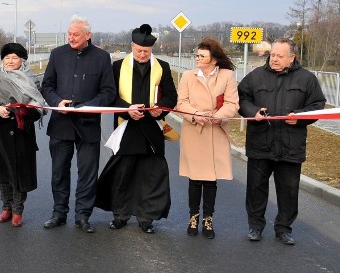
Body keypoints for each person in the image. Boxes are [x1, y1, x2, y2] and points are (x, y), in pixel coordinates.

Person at [238, 37, 325, 245]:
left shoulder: (307, 79)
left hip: (290, 145)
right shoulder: (255, 77)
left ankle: (284, 229)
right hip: (260, 143)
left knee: (288, 191)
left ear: (291, 57)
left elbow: (317, 105)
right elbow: (241, 99)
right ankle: (256, 227)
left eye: (279, 56)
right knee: (256, 189)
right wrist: (252, 111)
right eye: (272, 54)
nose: (274, 59)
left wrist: (301, 116)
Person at [96, 23, 177, 234]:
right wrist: (126, 109)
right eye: (139, 50)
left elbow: (171, 96)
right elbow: (109, 96)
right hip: (126, 128)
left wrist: (161, 109)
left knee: (150, 176)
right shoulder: (117, 67)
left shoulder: (163, 67)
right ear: (132, 46)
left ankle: (146, 217)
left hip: (152, 128)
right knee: (123, 174)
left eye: (146, 51)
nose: (142, 54)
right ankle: (120, 215)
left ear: (152, 50)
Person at [40, 15, 116, 233]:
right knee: (59, 172)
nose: (71, 38)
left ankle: (83, 215)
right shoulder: (57, 54)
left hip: (88, 124)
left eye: (76, 35)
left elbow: (108, 91)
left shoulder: (102, 57)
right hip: (61, 124)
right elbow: (47, 86)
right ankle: (58, 213)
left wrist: (89, 106)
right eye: (69, 34)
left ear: (88, 35)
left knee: (87, 173)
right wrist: (57, 101)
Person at [175, 38, 239, 239]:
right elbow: (181, 102)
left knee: (211, 180)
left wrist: (218, 116)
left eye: (202, 56)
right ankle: (193, 217)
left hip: (215, 131)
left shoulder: (227, 76)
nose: (197, 59)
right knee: (195, 179)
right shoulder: (188, 75)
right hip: (195, 131)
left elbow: (232, 103)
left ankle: (208, 219)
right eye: (196, 55)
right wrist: (195, 115)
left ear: (214, 59)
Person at [0, 43, 44, 227]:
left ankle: (18, 210)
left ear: (22, 60)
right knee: (3, 172)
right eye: (7, 57)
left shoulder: (32, 79)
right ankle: (6, 207)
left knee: (20, 172)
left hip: (21, 132)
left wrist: (24, 112)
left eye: (14, 58)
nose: (10, 61)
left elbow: (38, 105)